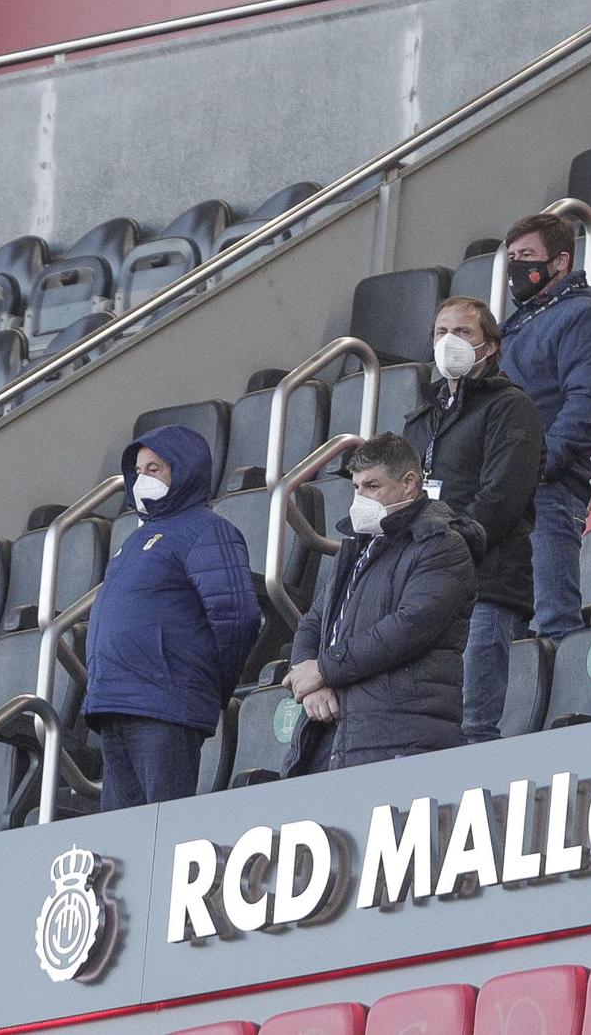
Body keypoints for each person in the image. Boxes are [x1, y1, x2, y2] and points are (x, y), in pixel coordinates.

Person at [284, 433, 483, 775]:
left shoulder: (442, 545)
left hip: (402, 739)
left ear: (409, 484)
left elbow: (408, 629)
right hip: (335, 736)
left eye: (372, 486)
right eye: (356, 487)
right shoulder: (358, 548)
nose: (360, 497)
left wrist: (323, 669)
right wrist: (310, 685)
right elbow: (313, 623)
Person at [84, 427, 260, 809]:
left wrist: (210, 684)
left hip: (166, 704)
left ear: (184, 470)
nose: (143, 478)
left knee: (159, 836)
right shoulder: (134, 540)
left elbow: (239, 618)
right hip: (114, 703)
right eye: (138, 470)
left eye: (155, 468)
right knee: (120, 850)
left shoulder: (209, 530)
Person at [402, 296, 545, 744]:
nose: (450, 341)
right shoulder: (420, 420)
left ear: (491, 346)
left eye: (463, 332)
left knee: (471, 725)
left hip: (486, 586)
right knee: (425, 731)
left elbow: (501, 499)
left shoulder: (511, 408)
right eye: (441, 332)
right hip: (427, 591)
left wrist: (443, 547)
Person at [498, 211, 591, 640]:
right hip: (500, 495)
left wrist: (538, 464)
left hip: (546, 492)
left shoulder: (585, 317)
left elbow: (587, 405)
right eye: (512, 256)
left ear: (560, 262)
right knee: (498, 625)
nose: (517, 266)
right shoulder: (515, 326)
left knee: (553, 623)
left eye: (527, 255)